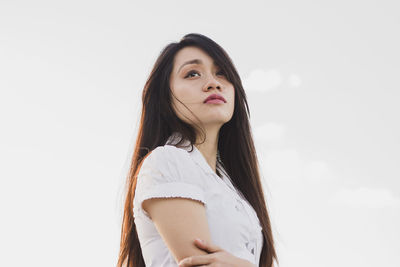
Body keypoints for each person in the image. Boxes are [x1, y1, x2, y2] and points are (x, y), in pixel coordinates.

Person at [117, 33, 278, 267]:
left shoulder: (234, 188)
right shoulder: (168, 161)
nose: (213, 83)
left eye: (222, 73)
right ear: (165, 98)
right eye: (192, 74)